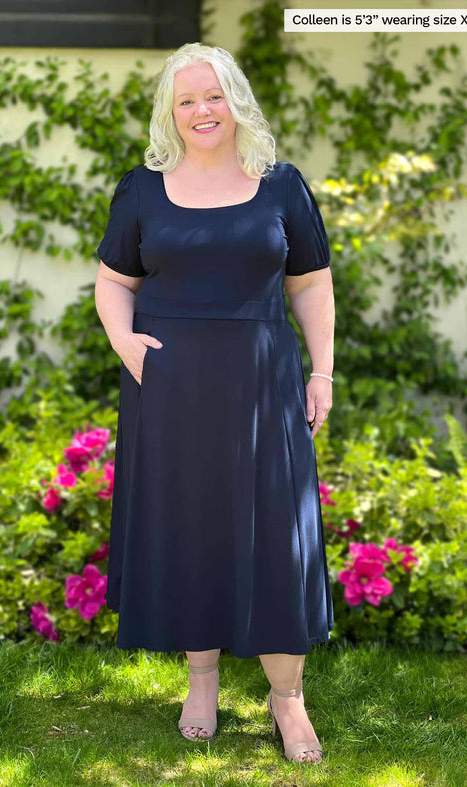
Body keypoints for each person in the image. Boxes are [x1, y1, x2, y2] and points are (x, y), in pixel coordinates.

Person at [94, 42, 335, 765]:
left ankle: (286, 699)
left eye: (214, 96)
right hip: (169, 388)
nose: (202, 110)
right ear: (172, 110)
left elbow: (311, 284)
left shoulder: (281, 186)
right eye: (187, 99)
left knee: (276, 538)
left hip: (262, 382)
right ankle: (201, 682)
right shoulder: (142, 189)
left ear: (236, 101)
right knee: (191, 526)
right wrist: (128, 346)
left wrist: (321, 371)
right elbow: (113, 280)